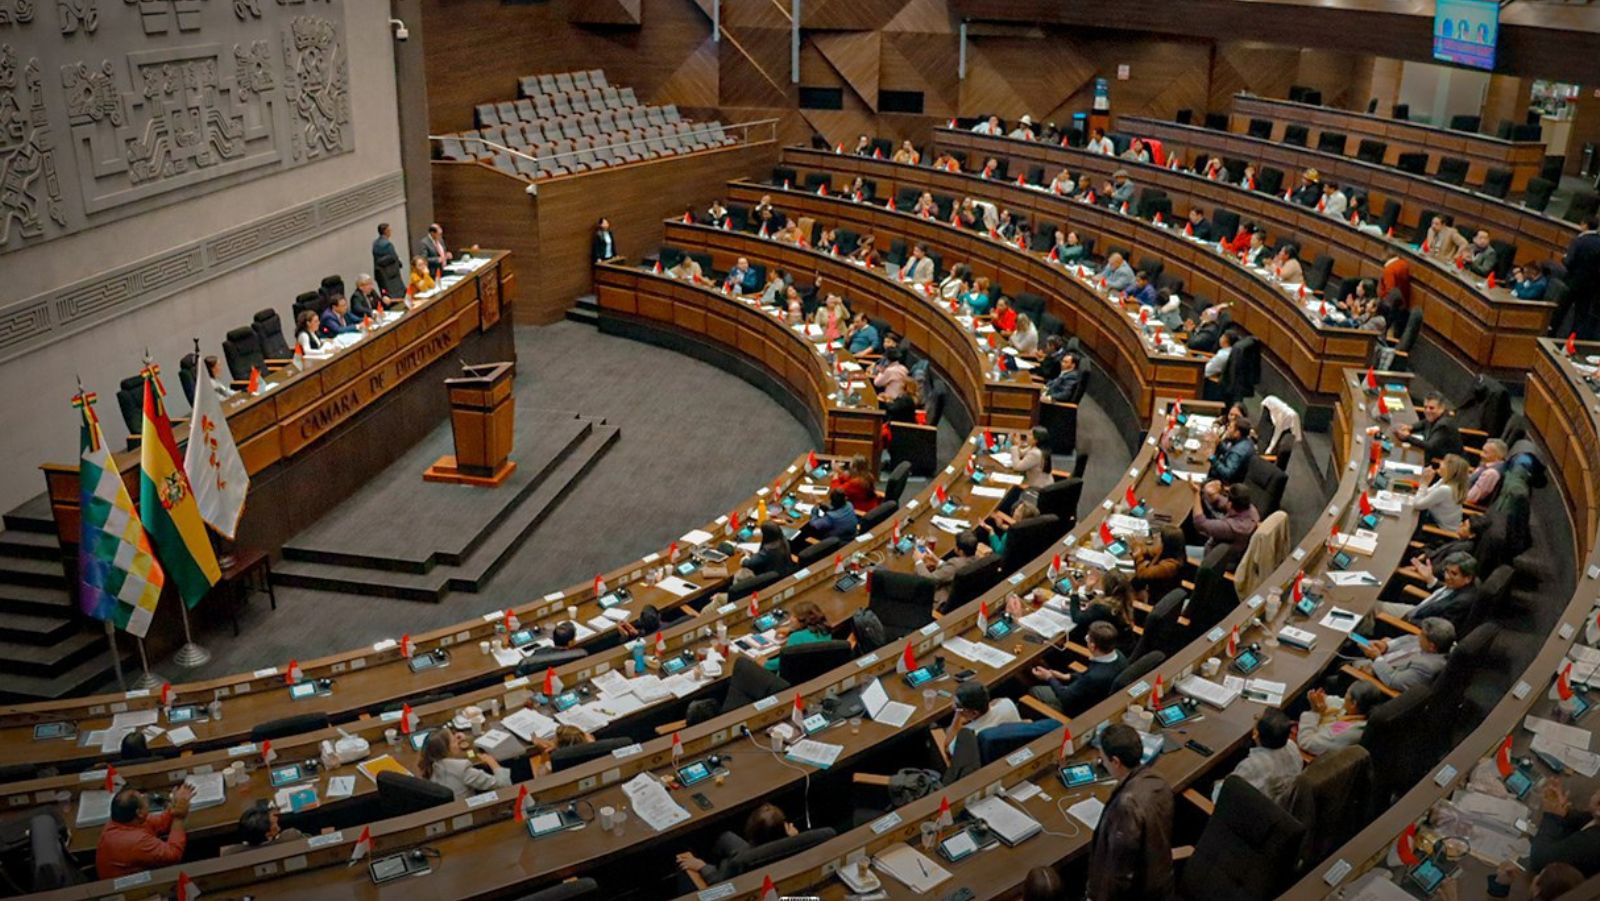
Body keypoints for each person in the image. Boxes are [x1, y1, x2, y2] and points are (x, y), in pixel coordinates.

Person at [1085, 723, 1175, 901]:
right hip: (1160, 884)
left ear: (1115, 762)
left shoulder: (1127, 806)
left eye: (1103, 758)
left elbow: (1118, 875)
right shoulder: (1159, 782)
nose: (1101, 762)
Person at [675, 803, 798, 886]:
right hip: (770, 858)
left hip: (739, 878)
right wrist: (794, 838)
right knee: (727, 838)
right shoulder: (796, 845)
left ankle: (713, 863)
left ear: (749, 831)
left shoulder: (739, 862)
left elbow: (719, 880)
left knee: (725, 839)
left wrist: (702, 866)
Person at [96, 784, 195, 879]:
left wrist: (176, 805)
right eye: (142, 797)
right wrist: (179, 818)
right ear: (139, 813)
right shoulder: (137, 841)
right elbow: (173, 855)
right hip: (131, 887)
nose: (146, 796)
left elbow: (161, 822)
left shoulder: (126, 820)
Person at [1030, 621, 1125, 715]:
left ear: (1093, 646)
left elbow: (1065, 697)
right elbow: (1087, 674)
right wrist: (1067, 676)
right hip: (1097, 698)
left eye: (1087, 638)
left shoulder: (1093, 677)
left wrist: (1049, 678)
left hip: (1080, 709)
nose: (1086, 640)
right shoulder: (1119, 656)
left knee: (1035, 690)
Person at [1374, 551, 1481, 630]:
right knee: (1374, 606)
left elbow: (1437, 629)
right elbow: (1445, 593)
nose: (1447, 577)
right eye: (1446, 571)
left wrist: (1409, 621)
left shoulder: (1461, 603)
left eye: (1453, 574)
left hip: (1414, 624)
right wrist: (1431, 579)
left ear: (1468, 578)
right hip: (1418, 610)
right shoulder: (1462, 585)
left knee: (1371, 611)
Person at [1215, 708, 1302, 804]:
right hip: (1282, 802)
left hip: (1257, 807)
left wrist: (1219, 784)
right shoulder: (1292, 746)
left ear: (1255, 734)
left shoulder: (1252, 766)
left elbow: (1222, 796)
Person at [1354, 617, 1455, 693]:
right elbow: (1409, 639)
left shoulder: (1427, 667)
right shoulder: (1436, 644)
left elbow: (1393, 680)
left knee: (1351, 663)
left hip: (1378, 674)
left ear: (1432, 647)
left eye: (1421, 635)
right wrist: (1386, 646)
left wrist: (1377, 658)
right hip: (1384, 657)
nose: (1418, 636)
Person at [1529, 779, 1600, 876]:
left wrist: (1551, 816)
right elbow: (1579, 820)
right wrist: (1561, 809)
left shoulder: (1592, 843)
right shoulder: (1595, 818)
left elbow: (1539, 860)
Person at [419, 728, 511, 800]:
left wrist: (459, 738)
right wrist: (492, 762)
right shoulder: (463, 769)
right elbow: (504, 785)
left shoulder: (431, 764)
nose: (458, 741)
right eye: (453, 741)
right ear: (446, 750)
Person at [1299, 682, 1382, 756]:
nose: (1344, 697)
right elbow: (1339, 702)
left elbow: (1306, 742)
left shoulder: (1344, 729)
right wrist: (1322, 699)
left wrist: (1314, 712)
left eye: (1346, 693)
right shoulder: (1362, 713)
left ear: (1353, 704)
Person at [1189, 481, 1260, 567]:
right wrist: (1211, 494)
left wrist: (1196, 494)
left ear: (1230, 504)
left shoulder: (1232, 527)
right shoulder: (1250, 509)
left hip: (1214, 562)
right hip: (1225, 555)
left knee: (1177, 550)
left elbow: (1200, 523)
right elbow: (1222, 502)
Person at [915, 530, 987, 610]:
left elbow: (928, 580)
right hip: (963, 598)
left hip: (941, 600)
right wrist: (936, 560)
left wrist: (918, 561)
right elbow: (951, 570)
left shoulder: (955, 564)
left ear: (960, 551)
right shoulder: (977, 559)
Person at [946, 680, 1022, 752]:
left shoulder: (966, 737)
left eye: (957, 706)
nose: (953, 706)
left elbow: (948, 748)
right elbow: (996, 701)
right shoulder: (1007, 703)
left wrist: (957, 716)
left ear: (974, 713)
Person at [1557, 215, 1599, 337]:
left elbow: (1569, 262)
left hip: (1572, 282)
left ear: (1585, 224)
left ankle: (1551, 333)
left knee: (1561, 310)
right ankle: (1574, 338)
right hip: (1591, 285)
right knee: (1581, 314)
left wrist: (1563, 259)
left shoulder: (1579, 240)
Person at [766, 600, 833, 671]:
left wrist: (765, 663)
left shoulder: (796, 637)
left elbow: (783, 662)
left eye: (793, 616)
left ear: (802, 620)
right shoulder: (825, 630)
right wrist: (791, 629)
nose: (790, 619)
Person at [1396, 392, 1464, 460]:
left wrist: (1407, 437)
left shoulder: (1443, 425)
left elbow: (1430, 446)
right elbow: (1425, 422)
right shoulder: (1438, 415)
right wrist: (1410, 427)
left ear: (1441, 408)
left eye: (1431, 408)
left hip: (1449, 462)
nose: (1427, 411)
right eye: (1425, 407)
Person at [1411, 453, 1470, 531]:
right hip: (1434, 521)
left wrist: (1424, 483)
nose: (1440, 463)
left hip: (1443, 531)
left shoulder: (1446, 489)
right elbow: (1426, 493)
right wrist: (1424, 484)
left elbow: (1418, 505)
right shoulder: (1444, 481)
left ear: (1450, 470)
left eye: (1444, 462)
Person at [222, 801, 305, 855]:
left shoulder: (229, 853)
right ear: (268, 835)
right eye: (275, 825)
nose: (276, 819)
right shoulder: (291, 836)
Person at [1132, 527, 1186, 598]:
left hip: (1154, 596)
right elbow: (1149, 551)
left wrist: (1138, 555)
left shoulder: (1169, 566)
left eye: (1159, 536)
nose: (1155, 536)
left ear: (1165, 542)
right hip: (1150, 586)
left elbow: (1142, 575)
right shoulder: (1169, 550)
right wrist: (1138, 545)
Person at [1207, 417, 1255, 483]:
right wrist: (1219, 443)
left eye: (1230, 427)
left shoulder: (1238, 452)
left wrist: (1213, 459)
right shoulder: (1247, 441)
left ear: (1237, 433)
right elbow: (1230, 454)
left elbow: (1227, 474)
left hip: (1227, 483)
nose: (1227, 429)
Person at [1468, 439, 1509, 506]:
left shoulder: (1490, 474)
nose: (1481, 454)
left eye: (1485, 453)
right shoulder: (1488, 465)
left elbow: (1470, 498)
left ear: (1497, 456)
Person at [372, 222, 405, 298]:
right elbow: (394, 257)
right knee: (396, 295)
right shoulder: (387, 244)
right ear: (386, 231)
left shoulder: (375, 243)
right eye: (389, 230)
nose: (391, 232)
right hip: (391, 275)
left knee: (385, 294)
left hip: (380, 274)